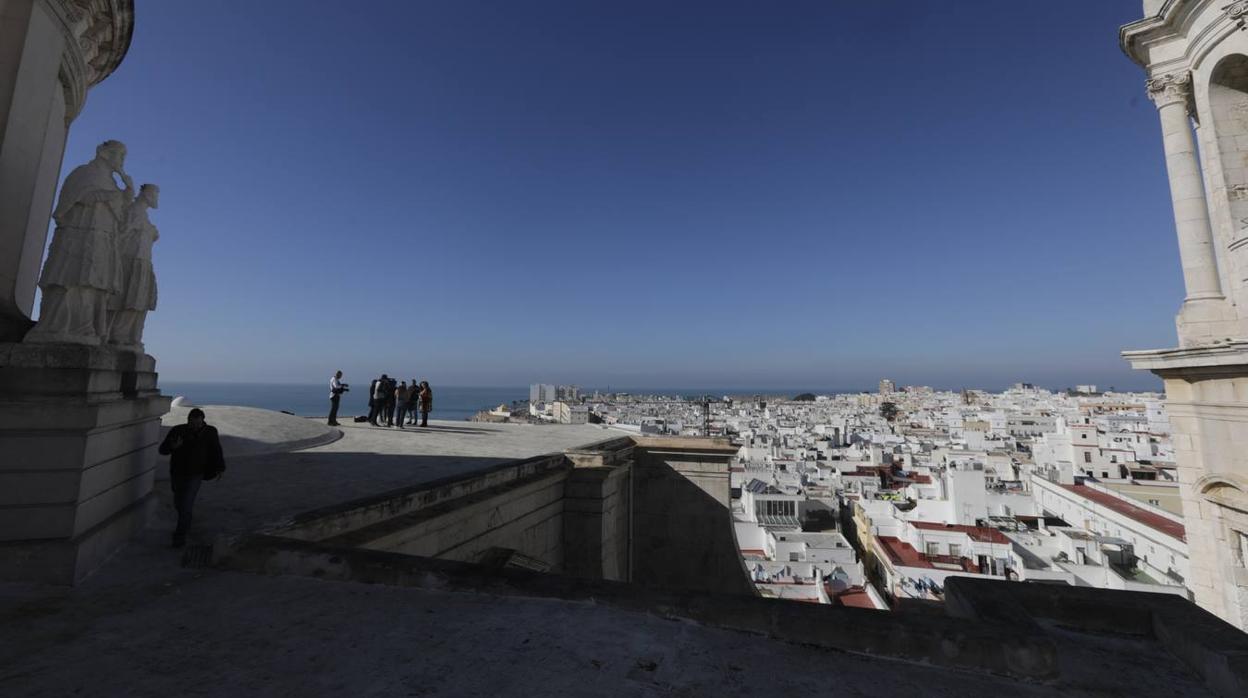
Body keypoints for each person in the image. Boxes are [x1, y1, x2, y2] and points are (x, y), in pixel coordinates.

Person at [157, 408, 225, 548]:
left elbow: (216, 450)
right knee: (179, 503)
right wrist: (173, 446)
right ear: (188, 421)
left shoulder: (210, 432)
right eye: (193, 424)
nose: (195, 426)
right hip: (177, 472)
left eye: (198, 424)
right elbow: (162, 450)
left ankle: (180, 535)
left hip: (196, 474)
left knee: (186, 504)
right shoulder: (178, 430)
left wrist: (220, 468)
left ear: (203, 421)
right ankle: (185, 523)